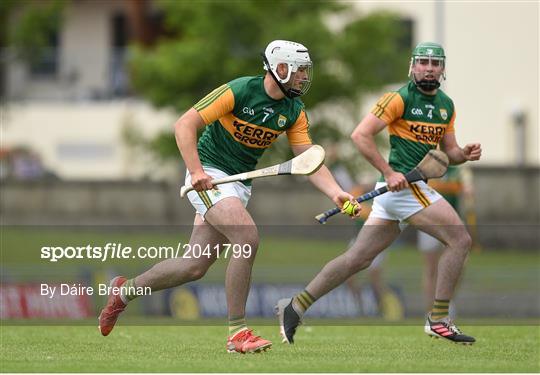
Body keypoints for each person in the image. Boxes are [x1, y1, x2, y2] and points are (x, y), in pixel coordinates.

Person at [98, 40, 359, 354]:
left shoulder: (293, 111)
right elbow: (184, 125)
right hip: (208, 174)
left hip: (238, 185)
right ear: (280, 69)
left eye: (306, 71)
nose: (305, 77)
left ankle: (123, 293)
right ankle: (238, 332)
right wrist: (195, 171)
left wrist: (335, 192)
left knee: (194, 265)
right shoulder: (238, 91)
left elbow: (308, 159)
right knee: (247, 236)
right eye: (300, 71)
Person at [276, 42, 482, 345]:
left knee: (357, 259)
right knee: (460, 239)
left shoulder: (446, 106)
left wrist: (463, 153)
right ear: (412, 66)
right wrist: (388, 172)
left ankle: (295, 307)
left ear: (442, 69)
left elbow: (447, 153)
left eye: (435, 63)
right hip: (402, 188)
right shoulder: (398, 99)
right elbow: (359, 135)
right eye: (422, 62)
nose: (428, 67)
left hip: (408, 189)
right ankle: (438, 319)